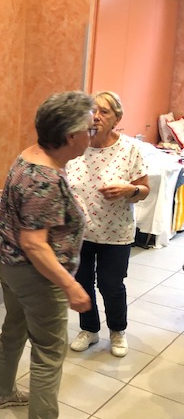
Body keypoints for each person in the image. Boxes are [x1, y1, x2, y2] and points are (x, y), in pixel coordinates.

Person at [0, 91, 94, 419]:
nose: (90, 136)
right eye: (88, 130)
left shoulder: (28, 157)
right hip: (36, 275)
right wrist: (71, 285)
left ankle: (1, 392)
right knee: (50, 350)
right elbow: (35, 244)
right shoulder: (44, 178)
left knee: (14, 327)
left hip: (10, 265)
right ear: (69, 137)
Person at [66, 91, 149, 358]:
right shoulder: (77, 144)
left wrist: (129, 190)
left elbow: (145, 189)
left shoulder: (130, 149)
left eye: (104, 112)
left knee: (111, 285)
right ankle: (89, 329)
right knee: (83, 282)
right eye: (93, 111)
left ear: (117, 119)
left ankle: (117, 330)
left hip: (116, 233)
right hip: (81, 233)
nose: (96, 117)